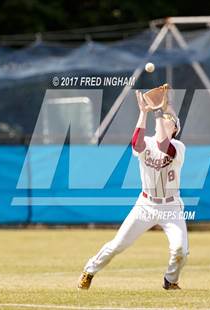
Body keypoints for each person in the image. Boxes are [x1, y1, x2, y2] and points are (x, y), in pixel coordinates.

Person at [77, 87, 188, 290]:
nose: (166, 119)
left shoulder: (178, 147)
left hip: (171, 207)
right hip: (145, 205)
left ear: (175, 129)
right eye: (164, 118)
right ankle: (89, 270)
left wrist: (157, 111)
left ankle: (170, 281)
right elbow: (136, 144)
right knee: (118, 245)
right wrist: (144, 113)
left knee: (180, 249)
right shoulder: (147, 142)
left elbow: (164, 147)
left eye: (170, 120)